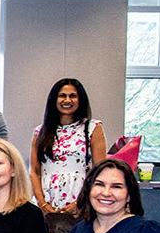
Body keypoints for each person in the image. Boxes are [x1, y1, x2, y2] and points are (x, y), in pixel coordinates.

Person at [32, 78, 108, 217]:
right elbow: (35, 172)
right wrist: (42, 203)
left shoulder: (93, 127)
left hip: (81, 201)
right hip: (46, 203)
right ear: (54, 100)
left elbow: (100, 171)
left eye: (73, 96)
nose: (67, 100)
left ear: (81, 100)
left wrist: (81, 202)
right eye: (62, 96)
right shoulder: (40, 131)